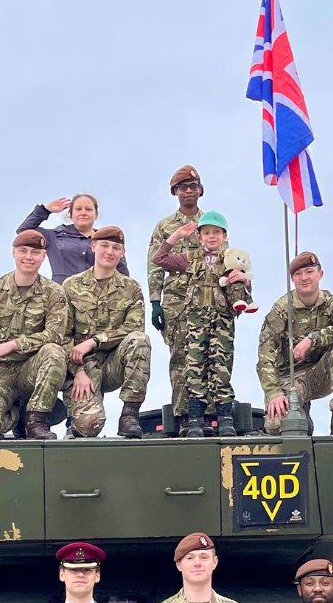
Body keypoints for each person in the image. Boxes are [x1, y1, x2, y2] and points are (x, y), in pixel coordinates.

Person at [151, 210, 252, 438]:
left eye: (216, 232)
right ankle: (195, 419)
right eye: (206, 233)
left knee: (221, 368)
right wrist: (175, 237)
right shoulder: (191, 257)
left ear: (225, 235)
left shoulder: (233, 258)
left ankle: (225, 418)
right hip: (196, 322)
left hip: (222, 321)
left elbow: (244, 292)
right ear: (199, 236)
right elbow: (159, 259)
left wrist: (244, 279)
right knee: (194, 368)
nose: (211, 237)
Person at [0, 228, 69, 440]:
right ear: (14, 253)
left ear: (43, 256)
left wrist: (15, 345)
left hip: (30, 371)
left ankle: (35, 419)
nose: (28, 257)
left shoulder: (54, 293)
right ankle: (15, 414)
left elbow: (54, 335)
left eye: (35, 252)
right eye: (23, 251)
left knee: (54, 352)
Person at [256, 251, 333, 436]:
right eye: (298, 274)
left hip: (322, 373)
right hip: (290, 380)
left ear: (320, 275)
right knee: (276, 426)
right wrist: (274, 393)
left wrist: (313, 339)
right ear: (292, 279)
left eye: (309, 271)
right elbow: (265, 356)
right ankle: (301, 413)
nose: (304, 278)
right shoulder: (281, 309)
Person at [62, 225, 151, 439]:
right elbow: (62, 334)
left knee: (139, 341)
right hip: (82, 367)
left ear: (122, 253)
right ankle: (74, 418)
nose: (110, 252)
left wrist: (94, 341)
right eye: (104, 245)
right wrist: (78, 372)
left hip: (114, 362)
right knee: (89, 426)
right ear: (93, 246)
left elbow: (133, 328)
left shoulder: (131, 288)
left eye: (116, 247)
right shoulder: (71, 286)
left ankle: (129, 415)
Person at [147, 166, 205, 432]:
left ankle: (207, 414)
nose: (189, 191)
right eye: (184, 187)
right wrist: (155, 301)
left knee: (207, 356)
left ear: (200, 189)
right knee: (181, 358)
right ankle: (184, 416)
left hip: (206, 298)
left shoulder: (211, 223)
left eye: (193, 186)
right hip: (176, 301)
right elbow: (155, 264)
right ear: (175, 192)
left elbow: (225, 261)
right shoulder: (165, 226)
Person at [18, 194, 131, 283]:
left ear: (96, 215)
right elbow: (23, 232)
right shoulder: (55, 236)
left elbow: (123, 274)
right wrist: (45, 210)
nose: (83, 213)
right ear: (70, 214)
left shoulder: (107, 241)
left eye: (88, 209)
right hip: (61, 300)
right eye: (78, 209)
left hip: (96, 302)